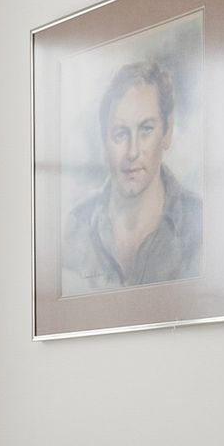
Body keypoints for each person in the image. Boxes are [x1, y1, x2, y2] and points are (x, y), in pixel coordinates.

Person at [62, 59, 204, 293]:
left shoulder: (199, 224)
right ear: (104, 140)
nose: (132, 152)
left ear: (167, 132)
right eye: (120, 133)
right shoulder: (74, 228)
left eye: (146, 129)